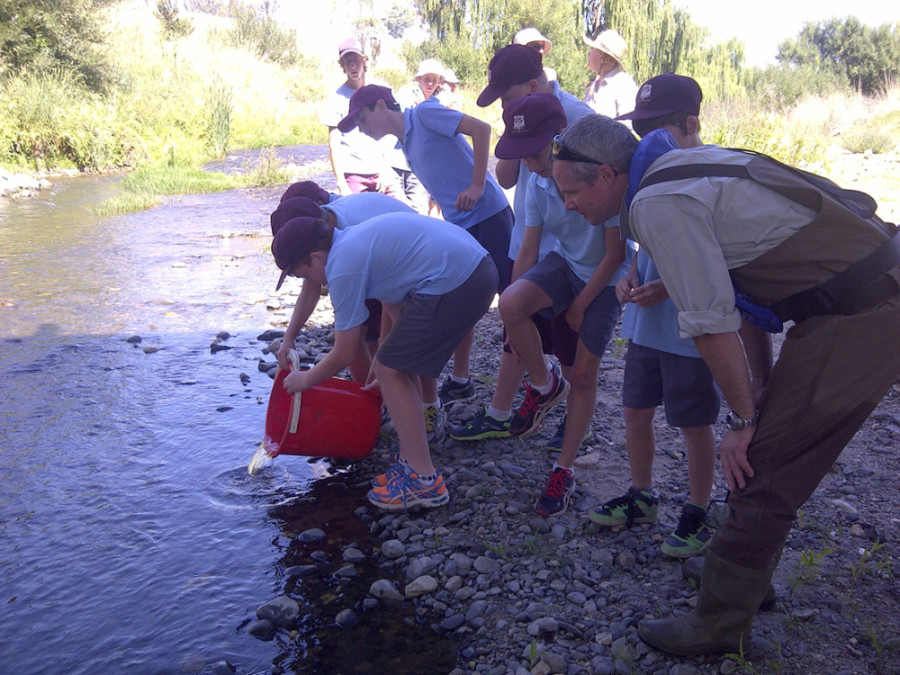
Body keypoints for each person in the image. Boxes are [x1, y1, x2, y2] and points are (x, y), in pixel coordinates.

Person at [550, 113, 900, 656]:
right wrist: (757, 391)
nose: (567, 205)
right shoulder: (676, 168)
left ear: (605, 176)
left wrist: (741, 421)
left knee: (764, 465)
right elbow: (744, 294)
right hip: (850, 296)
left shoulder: (656, 203)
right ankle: (737, 576)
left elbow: (711, 324)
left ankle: (719, 628)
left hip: (865, 310)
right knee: (761, 447)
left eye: (570, 192)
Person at [271, 213, 498, 510]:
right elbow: (395, 300)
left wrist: (304, 380)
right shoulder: (352, 238)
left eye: (303, 275)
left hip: (459, 280)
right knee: (394, 365)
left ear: (316, 257)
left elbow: (345, 352)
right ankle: (412, 461)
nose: (309, 282)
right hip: (475, 268)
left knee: (391, 369)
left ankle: (424, 481)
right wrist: (387, 359)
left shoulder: (342, 266)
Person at [588, 74, 718, 559]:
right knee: (634, 412)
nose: (650, 141)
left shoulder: (709, 173)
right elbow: (644, 242)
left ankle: (698, 510)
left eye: (660, 129)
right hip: (645, 328)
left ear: (691, 124)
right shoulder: (650, 173)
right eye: (643, 131)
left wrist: (670, 286)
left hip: (689, 332)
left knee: (693, 421)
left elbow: (719, 256)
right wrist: (631, 274)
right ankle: (642, 495)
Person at [495, 96, 633, 517]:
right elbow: (530, 250)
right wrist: (513, 317)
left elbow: (614, 255)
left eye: (537, 153)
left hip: (604, 280)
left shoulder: (593, 177)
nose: (532, 164)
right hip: (566, 264)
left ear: (556, 142)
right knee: (511, 302)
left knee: (584, 376)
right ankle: (543, 385)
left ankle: (564, 468)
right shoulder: (537, 182)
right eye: (524, 156)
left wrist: (579, 306)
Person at [339, 84, 513, 416]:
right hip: (461, 223)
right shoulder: (404, 145)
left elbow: (481, 129)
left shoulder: (424, 114)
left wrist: (477, 184)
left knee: (511, 301)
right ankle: (461, 379)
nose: (362, 129)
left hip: (489, 213)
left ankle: (535, 377)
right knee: (465, 297)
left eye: (362, 120)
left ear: (380, 106)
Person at [453, 44, 592, 451]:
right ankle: (501, 413)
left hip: (567, 250)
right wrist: (515, 129)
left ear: (534, 85)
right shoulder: (519, 115)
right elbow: (508, 178)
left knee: (569, 340)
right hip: (526, 238)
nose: (503, 106)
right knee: (516, 326)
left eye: (508, 97)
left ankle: (570, 423)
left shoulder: (580, 119)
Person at [271, 192, 415, 384]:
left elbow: (391, 301)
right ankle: (370, 399)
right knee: (357, 332)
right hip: (402, 270)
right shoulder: (326, 241)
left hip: (415, 269)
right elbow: (311, 289)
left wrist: (384, 358)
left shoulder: (352, 238)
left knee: (393, 353)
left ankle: (425, 404)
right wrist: (289, 338)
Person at [320, 38, 406, 201]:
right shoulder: (336, 99)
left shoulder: (379, 91)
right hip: (354, 174)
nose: (353, 66)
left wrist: (386, 169)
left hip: (384, 170)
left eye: (356, 60)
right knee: (357, 221)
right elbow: (334, 145)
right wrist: (341, 184)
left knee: (406, 214)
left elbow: (393, 132)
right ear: (342, 65)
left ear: (364, 61)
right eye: (348, 61)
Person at [582, 28, 637, 120]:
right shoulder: (593, 84)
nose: (589, 53)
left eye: (592, 49)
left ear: (601, 55)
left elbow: (628, 125)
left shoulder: (624, 84)